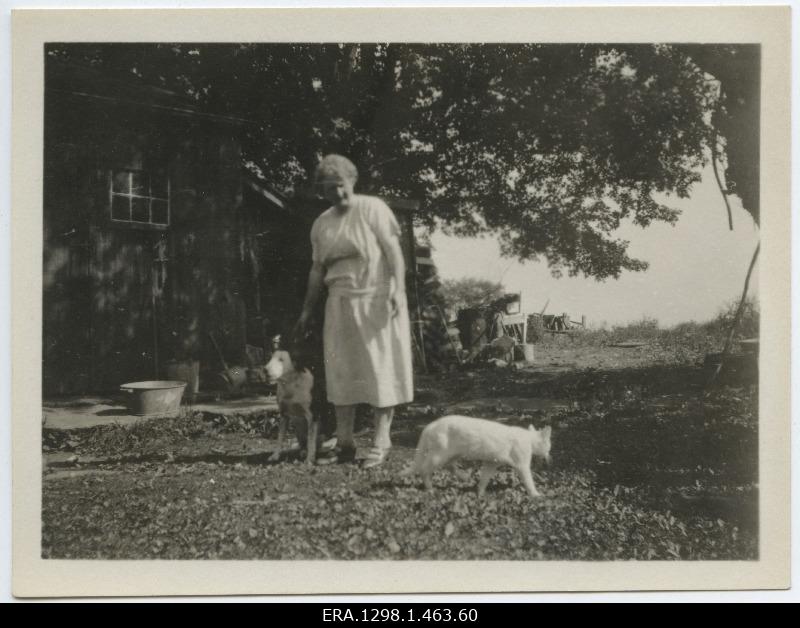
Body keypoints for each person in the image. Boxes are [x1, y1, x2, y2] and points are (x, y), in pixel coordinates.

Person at [295, 154, 414, 469]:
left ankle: (380, 440)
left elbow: (393, 253)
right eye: (329, 189)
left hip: (377, 298)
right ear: (322, 191)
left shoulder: (373, 208)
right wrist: (307, 311)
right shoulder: (322, 223)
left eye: (341, 186)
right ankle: (345, 443)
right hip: (340, 302)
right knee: (341, 371)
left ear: (352, 180)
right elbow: (317, 270)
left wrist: (398, 291)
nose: (338, 194)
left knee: (379, 369)